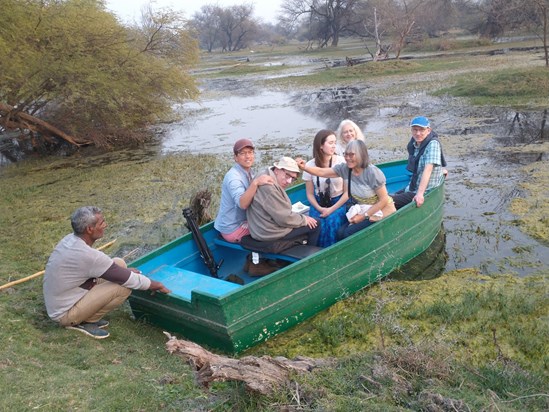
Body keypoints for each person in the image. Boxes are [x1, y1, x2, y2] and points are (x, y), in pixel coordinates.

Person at [43, 206, 171, 339]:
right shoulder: (88, 255)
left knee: (119, 263)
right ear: (89, 229)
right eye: (102, 223)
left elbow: (114, 270)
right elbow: (128, 280)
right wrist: (155, 285)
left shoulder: (70, 239)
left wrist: (124, 272)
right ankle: (86, 322)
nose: (106, 225)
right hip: (64, 313)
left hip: (69, 294)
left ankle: (85, 316)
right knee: (123, 287)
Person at [297, 140, 395, 240]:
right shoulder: (345, 169)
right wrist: (304, 167)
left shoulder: (373, 173)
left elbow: (384, 200)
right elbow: (322, 172)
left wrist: (363, 216)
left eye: (351, 155)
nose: (347, 158)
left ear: (361, 155)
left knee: (347, 233)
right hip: (362, 208)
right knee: (340, 233)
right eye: (346, 154)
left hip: (380, 210)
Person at [246, 156, 321, 246]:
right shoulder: (270, 188)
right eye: (287, 175)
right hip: (268, 233)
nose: (289, 181)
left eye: (293, 178)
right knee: (315, 224)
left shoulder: (264, 174)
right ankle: (310, 256)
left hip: (260, 227)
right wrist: (304, 219)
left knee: (302, 218)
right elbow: (284, 218)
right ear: (277, 170)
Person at [214, 138, 274, 243]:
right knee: (272, 229)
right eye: (243, 153)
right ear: (235, 158)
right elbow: (242, 204)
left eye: (250, 153)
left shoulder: (249, 172)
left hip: (244, 220)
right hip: (233, 228)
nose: (248, 156)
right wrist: (255, 183)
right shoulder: (233, 177)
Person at [302, 129, 348, 247]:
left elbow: (347, 193)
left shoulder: (341, 163)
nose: (334, 146)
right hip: (319, 202)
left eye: (335, 142)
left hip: (338, 202)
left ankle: (331, 252)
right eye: (330, 143)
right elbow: (310, 194)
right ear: (321, 146)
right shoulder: (309, 166)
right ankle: (314, 252)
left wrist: (331, 209)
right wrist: (319, 208)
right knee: (316, 223)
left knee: (331, 221)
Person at [391, 116, 447, 209]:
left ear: (428, 130)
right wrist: (441, 171)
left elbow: (428, 169)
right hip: (413, 186)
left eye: (421, 130)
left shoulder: (433, 144)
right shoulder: (415, 142)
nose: (418, 133)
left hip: (424, 191)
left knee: (387, 201)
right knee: (387, 197)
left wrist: (420, 194)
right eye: (415, 130)